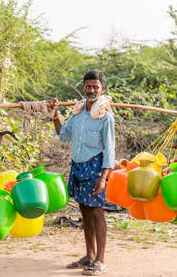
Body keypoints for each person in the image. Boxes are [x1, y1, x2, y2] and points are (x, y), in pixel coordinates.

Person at [50, 69, 115, 276]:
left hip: (95, 167)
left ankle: (101, 260)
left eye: (96, 87)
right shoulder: (77, 113)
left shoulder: (105, 116)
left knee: (96, 212)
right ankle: (89, 255)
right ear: (83, 88)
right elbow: (63, 136)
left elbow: (110, 150)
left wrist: (103, 177)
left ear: (102, 89)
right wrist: (55, 114)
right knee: (85, 211)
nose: (92, 90)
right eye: (88, 86)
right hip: (77, 166)